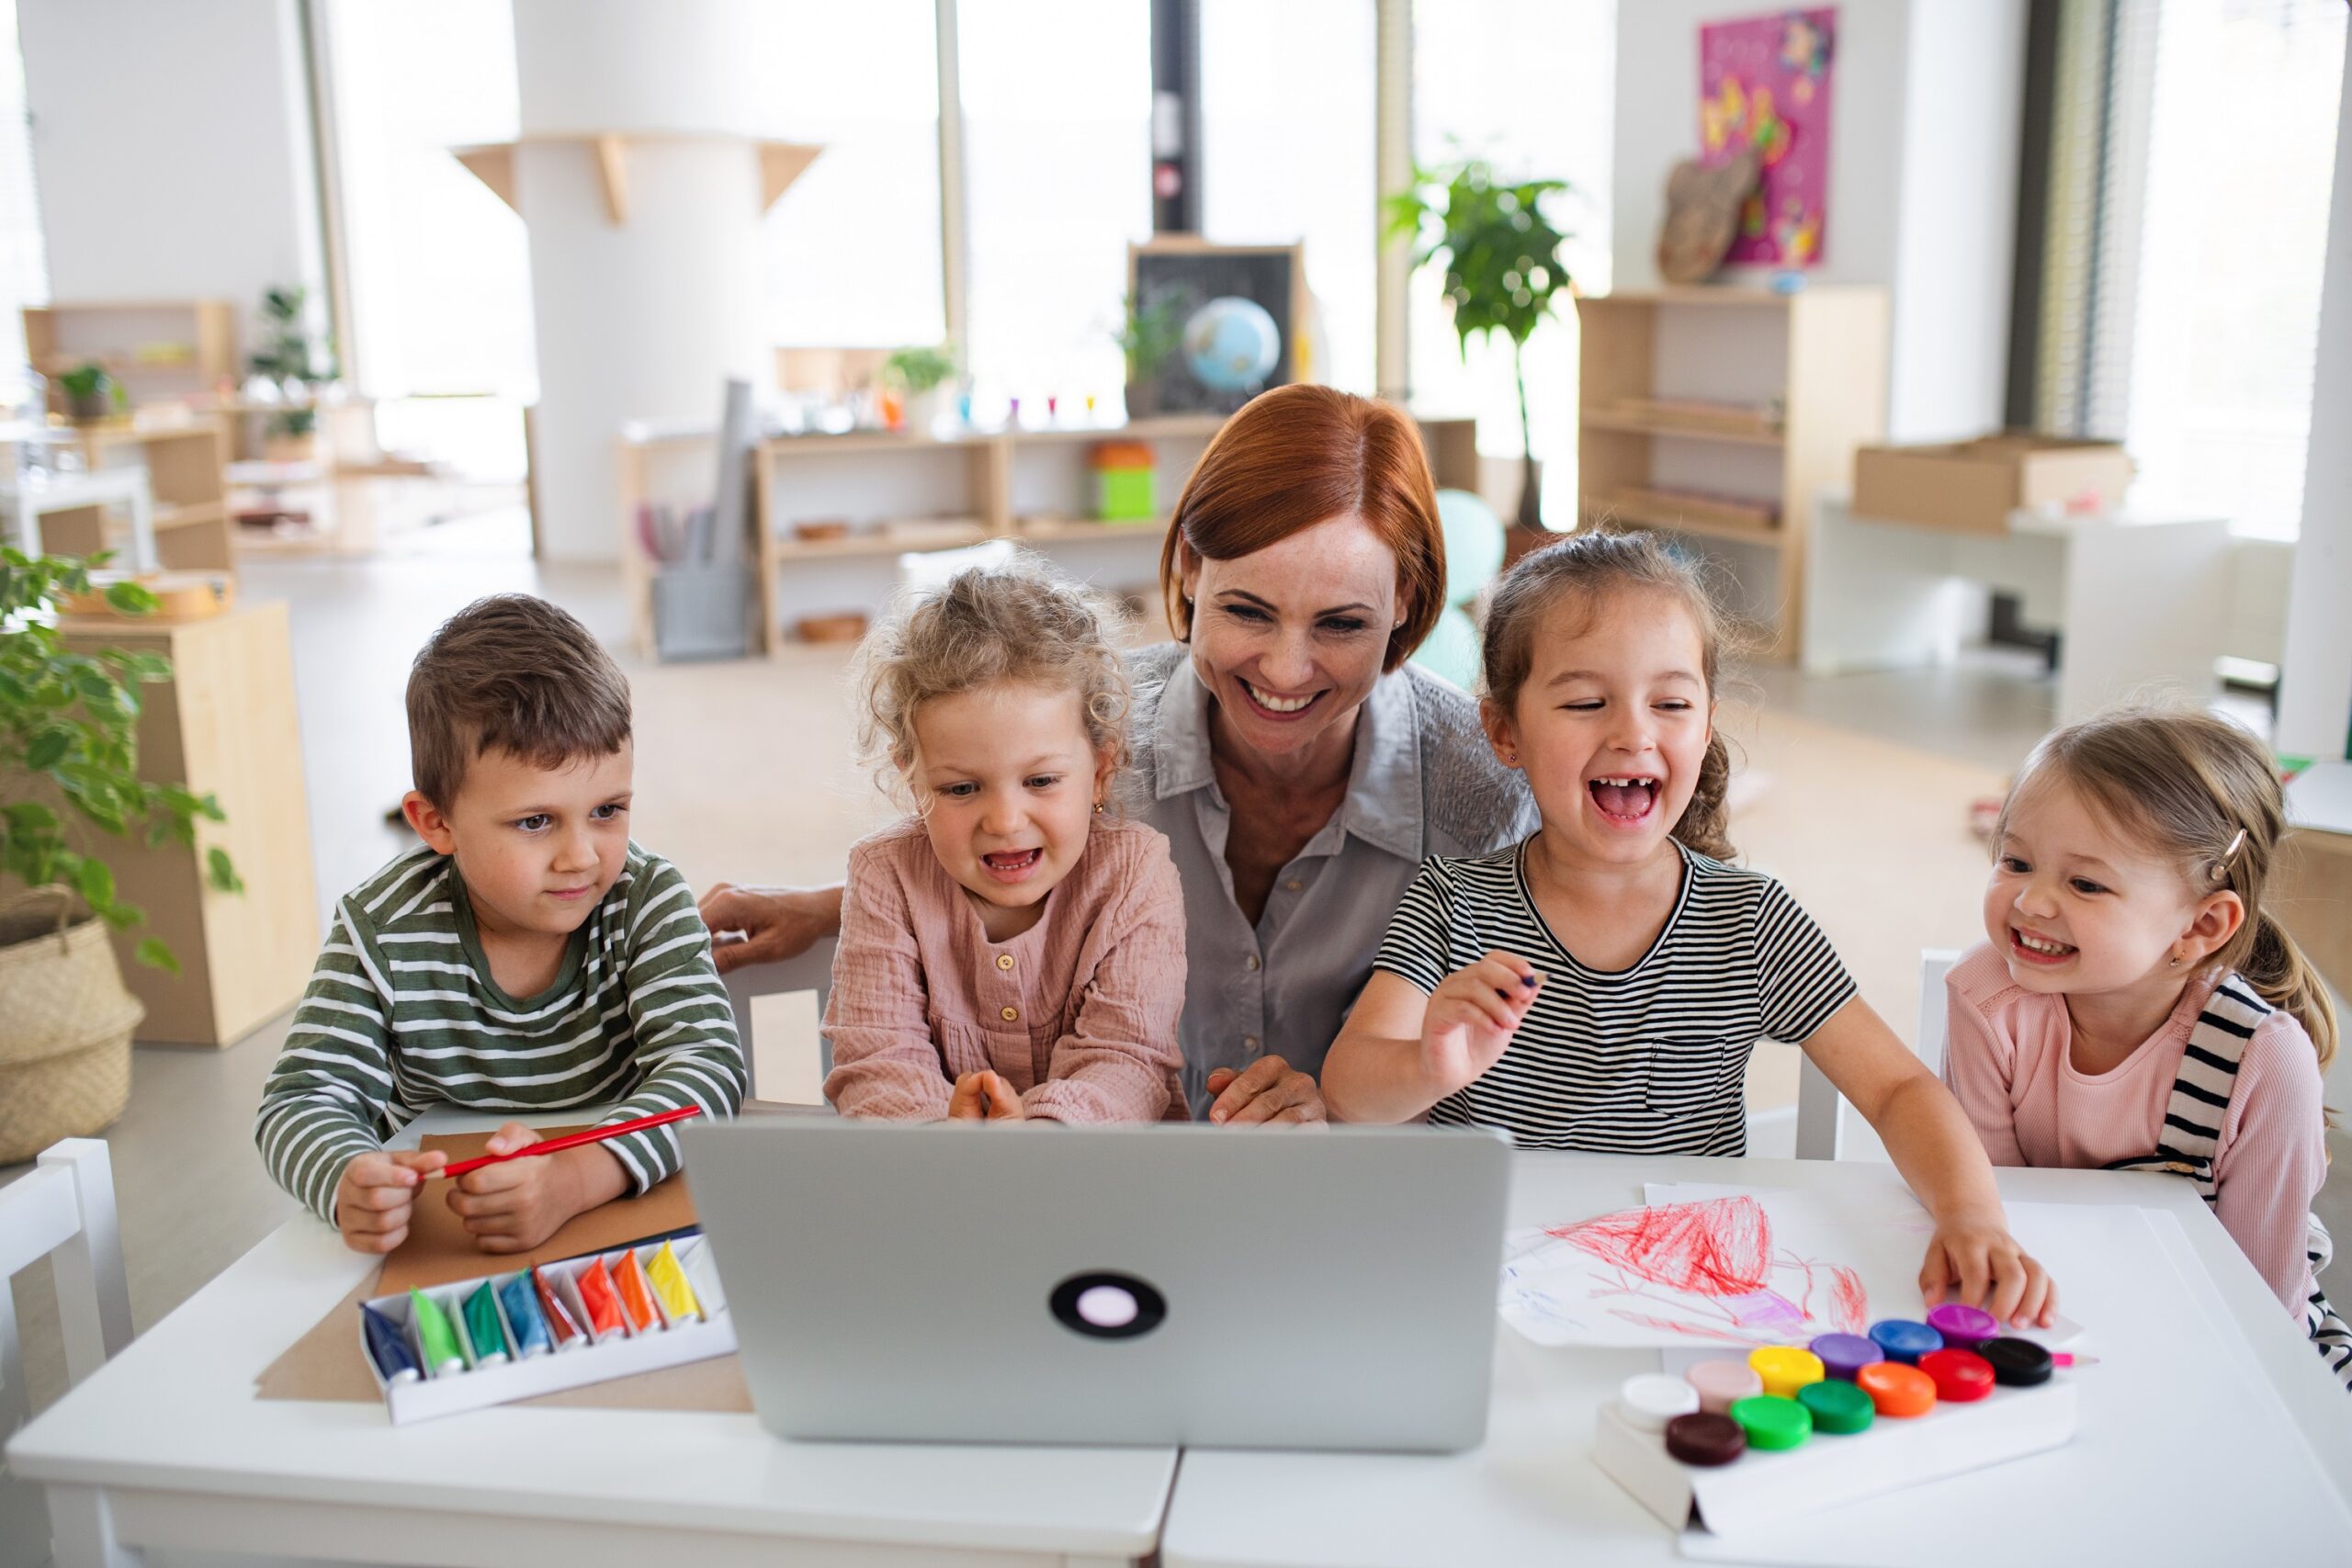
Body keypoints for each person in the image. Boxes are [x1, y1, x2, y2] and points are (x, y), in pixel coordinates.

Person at [701, 384, 1535, 1121]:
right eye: (1247, 611)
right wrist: (832, 906)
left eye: (1341, 623)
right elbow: (985, 846)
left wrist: (1351, 1105)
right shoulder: (1077, 722)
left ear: (1406, 606)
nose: (1284, 669)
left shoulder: (1484, 780)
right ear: (1185, 571)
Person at [1322, 531, 2056, 1327]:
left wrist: (1972, 1214)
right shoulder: (1450, 902)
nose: (1634, 734)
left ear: (1705, 725)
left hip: (1688, 1292)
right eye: (1584, 701)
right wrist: (1432, 1062)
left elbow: (1898, 1086)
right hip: (1494, 1283)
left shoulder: (1752, 921)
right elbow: (1350, 1087)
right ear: (1504, 732)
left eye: (1670, 703)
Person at [254, 595, 746, 1255]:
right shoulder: (381, 929)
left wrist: (571, 1180)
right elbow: (300, 1099)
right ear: (436, 823)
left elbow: (706, 1072)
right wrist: (348, 1178)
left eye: (608, 809)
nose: (582, 855)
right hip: (444, 1231)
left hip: (620, 1213)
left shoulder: (646, 899)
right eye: (535, 821)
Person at [1945, 705, 2346, 1384]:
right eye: (2016, 860)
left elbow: (2263, 1299)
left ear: (2201, 925)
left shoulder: (2264, 1060)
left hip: (2235, 1333)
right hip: (2064, 1305)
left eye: (2085, 882)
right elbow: (1999, 1212)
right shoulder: (1986, 996)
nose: (2031, 902)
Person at [823, 557, 1186, 1122]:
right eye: (962, 788)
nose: (1004, 820)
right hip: (941, 1183)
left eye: (1040, 781)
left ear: (1102, 768)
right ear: (913, 779)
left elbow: (1128, 1060)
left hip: (1110, 1186)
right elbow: (876, 1060)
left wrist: (1036, 1137)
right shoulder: (883, 874)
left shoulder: (1135, 871)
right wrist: (945, 1134)